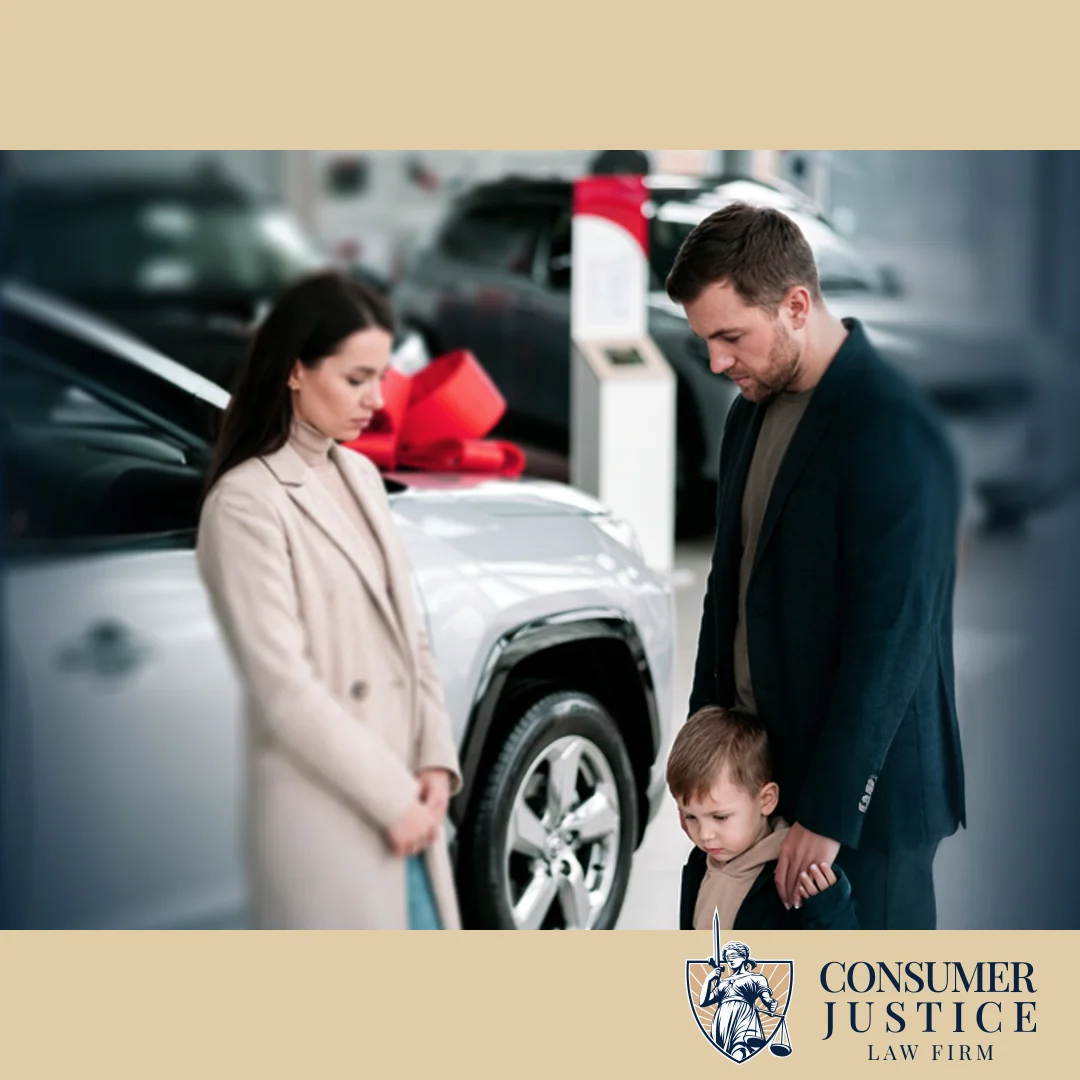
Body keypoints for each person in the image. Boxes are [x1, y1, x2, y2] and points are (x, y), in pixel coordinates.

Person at [666, 202, 965, 930]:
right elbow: (727, 589)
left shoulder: (893, 426)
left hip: (863, 811)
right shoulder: (748, 412)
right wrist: (708, 752)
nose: (717, 362)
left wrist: (829, 814)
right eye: (705, 340)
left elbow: (892, 639)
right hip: (765, 783)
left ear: (796, 306)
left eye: (730, 336)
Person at [196, 271, 462, 929]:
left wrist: (435, 757)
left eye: (382, 376)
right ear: (295, 370)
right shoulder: (245, 503)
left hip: (408, 802)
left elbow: (409, 632)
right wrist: (392, 798)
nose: (377, 398)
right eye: (356, 378)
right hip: (330, 812)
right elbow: (283, 690)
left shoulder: (360, 473)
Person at [670, 705, 857, 931]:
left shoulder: (794, 877)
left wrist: (830, 911)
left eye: (720, 817)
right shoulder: (700, 862)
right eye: (691, 816)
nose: (704, 835)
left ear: (766, 800)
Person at [698, 942, 778, 1061]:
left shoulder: (756, 978)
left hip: (744, 1015)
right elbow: (703, 1002)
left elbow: (765, 996)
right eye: (727, 958)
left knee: (741, 1047)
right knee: (723, 1052)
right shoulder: (723, 983)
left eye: (733, 956)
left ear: (744, 957)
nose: (730, 960)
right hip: (722, 1019)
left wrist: (770, 1003)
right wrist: (708, 979)